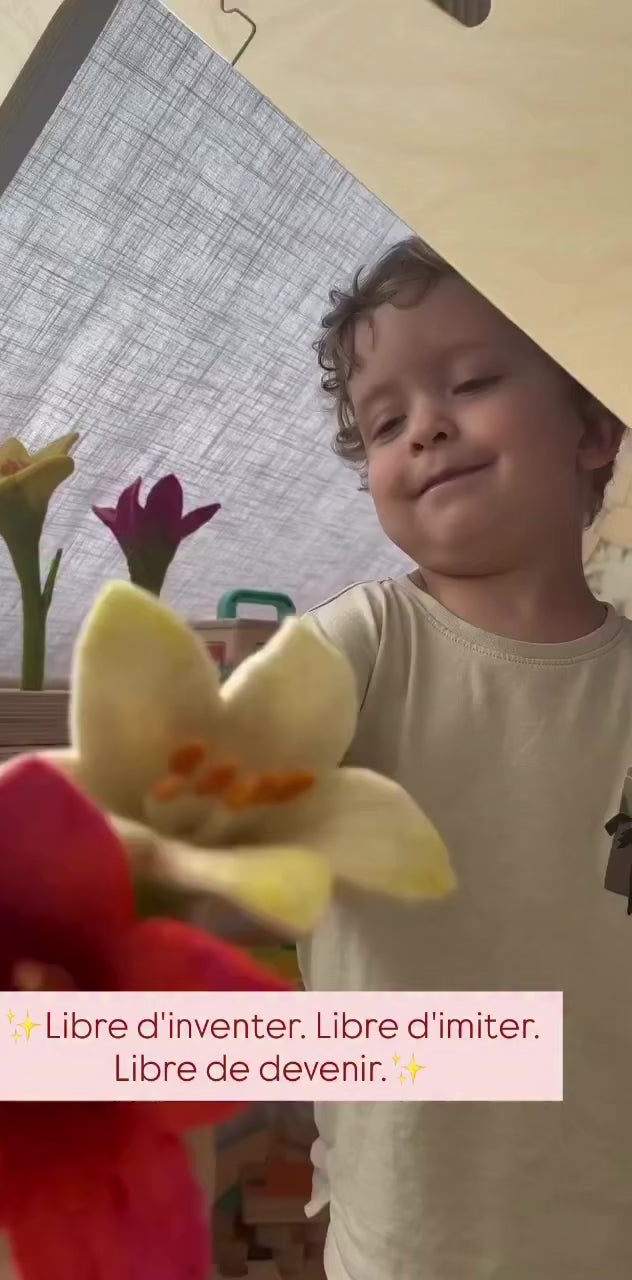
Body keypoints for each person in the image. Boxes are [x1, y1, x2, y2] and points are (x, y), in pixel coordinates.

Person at [297, 237, 632, 1279]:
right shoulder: (359, 643)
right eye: (384, 423)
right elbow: (202, 773)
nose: (425, 428)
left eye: (473, 380)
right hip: (408, 1242)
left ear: (592, 425)